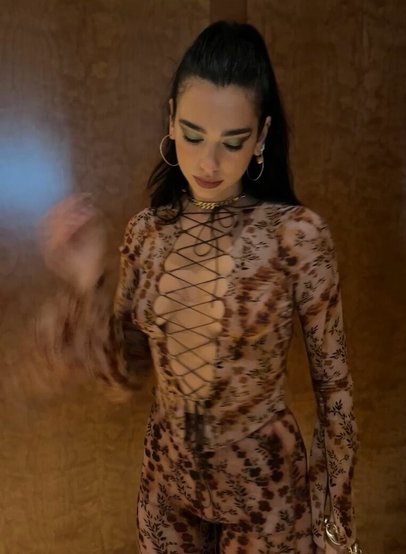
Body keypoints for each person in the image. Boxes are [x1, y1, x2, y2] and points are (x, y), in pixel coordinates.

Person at [39, 21, 361, 554]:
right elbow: (124, 376)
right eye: (192, 135)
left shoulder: (296, 236)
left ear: (261, 137)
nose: (209, 163)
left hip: (264, 489)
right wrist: (86, 278)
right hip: (166, 484)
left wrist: (334, 526)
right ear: (171, 121)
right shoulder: (146, 233)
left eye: (232, 142)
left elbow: (336, 390)